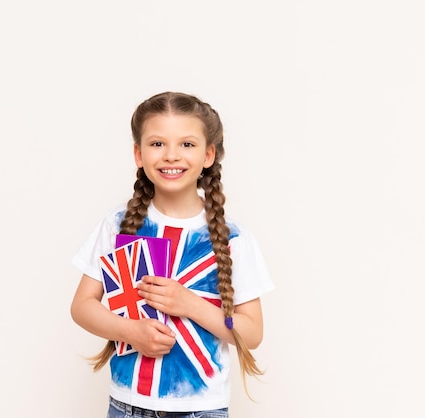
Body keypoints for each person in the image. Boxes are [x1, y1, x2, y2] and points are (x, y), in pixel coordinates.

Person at [71, 91, 274, 418]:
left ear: (209, 154)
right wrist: (129, 332)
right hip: (126, 406)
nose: (171, 155)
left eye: (187, 144)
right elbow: (82, 306)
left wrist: (189, 304)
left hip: (201, 410)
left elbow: (251, 334)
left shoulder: (235, 239)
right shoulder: (116, 225)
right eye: (157, 144)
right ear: (138, 154)